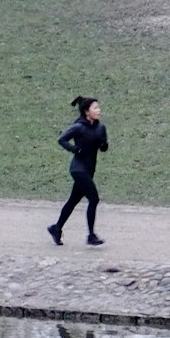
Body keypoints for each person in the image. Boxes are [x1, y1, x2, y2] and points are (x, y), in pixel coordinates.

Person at [48, 96, 108, 246]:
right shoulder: (78, 127)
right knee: (94, 199)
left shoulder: (101, 128)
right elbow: (62, 140)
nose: (98, 110)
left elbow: (102, 147)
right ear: (87, 112)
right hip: (78, 169)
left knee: (73, 200)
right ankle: (91, 236)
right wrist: (75, 149)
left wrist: (104, 145)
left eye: (98, 107)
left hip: (89, 169)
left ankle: (56, 228)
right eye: (95, 108)